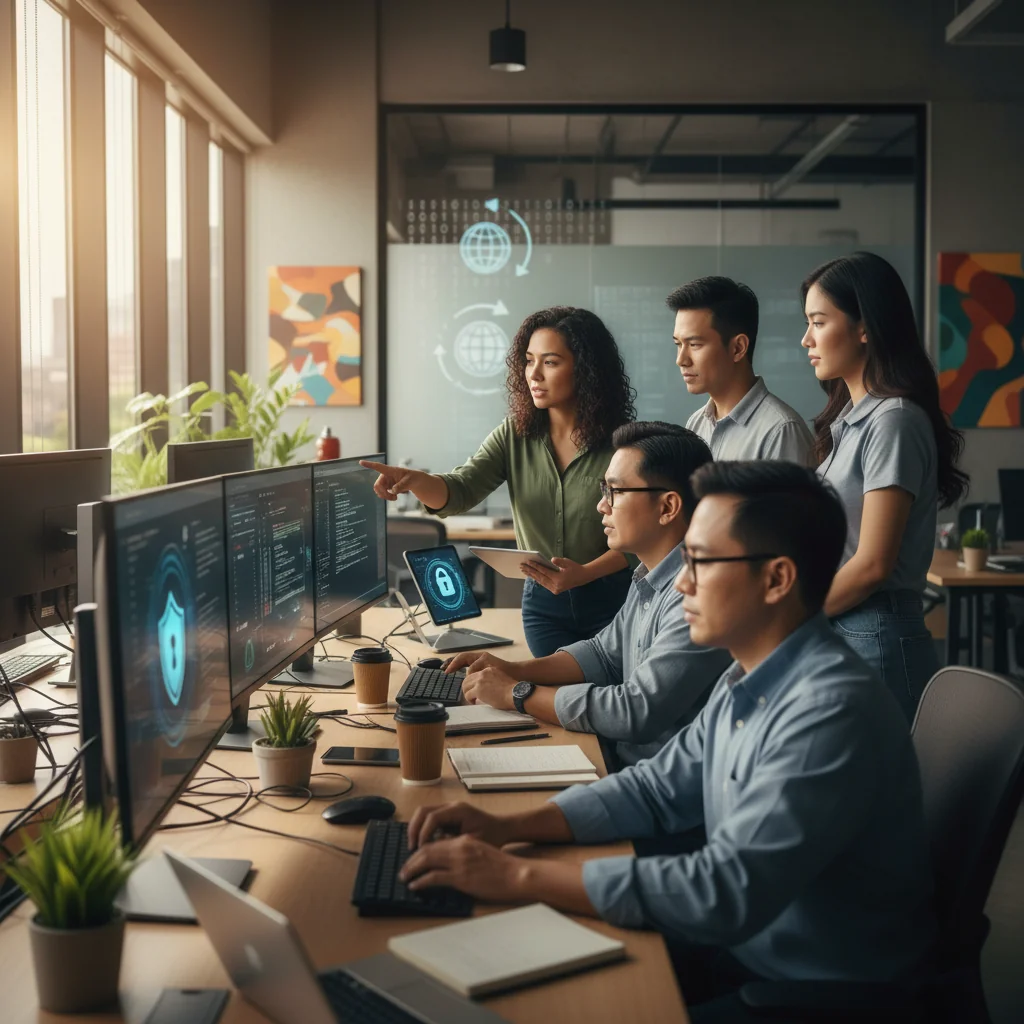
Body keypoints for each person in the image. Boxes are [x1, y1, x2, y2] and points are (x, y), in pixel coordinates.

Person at [399, 462, 935, 1022]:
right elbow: (655, 790)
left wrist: (516, 874)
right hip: (739, 951)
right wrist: (508, 828)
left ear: (777, 579)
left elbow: (723, 893)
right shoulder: (748, 674)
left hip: (813, 992)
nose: (681, 582)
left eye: (702, 563)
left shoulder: (827, 711)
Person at [443, 422, 732, 769]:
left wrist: (516, 693)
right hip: (625, 765)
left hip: (657, 786)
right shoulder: (648, 578)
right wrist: (512, 669)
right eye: (602, 490)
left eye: (615, 492)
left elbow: (635, 711)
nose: (601, 506)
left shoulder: (697, 594)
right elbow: (603, 655)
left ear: (668, 507)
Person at [361, 307, 636, 658]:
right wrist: (416, 481)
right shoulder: (514, 435)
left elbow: (639, 539)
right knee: (554, 701)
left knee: (602, 699)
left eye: (550, 362)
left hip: (613, 600)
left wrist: (584, 573)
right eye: (529, 360)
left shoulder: (623, 444)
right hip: (543, 605)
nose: (533, 374)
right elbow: (460, 490)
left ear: (586, 370)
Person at [802, 252, 969, 722]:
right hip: (847, 626)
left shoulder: (893, 420)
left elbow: (873, 564)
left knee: (872, 791)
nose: (806, 339)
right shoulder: (852, 422)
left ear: (864, 328)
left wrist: (792, 618)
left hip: (873, 634)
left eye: (818, 322)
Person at [670, 276, 812, 464]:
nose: (681, 360)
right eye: (678, 344)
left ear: (738, 348)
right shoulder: (696, 424)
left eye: (694, 344)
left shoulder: (780, 431)